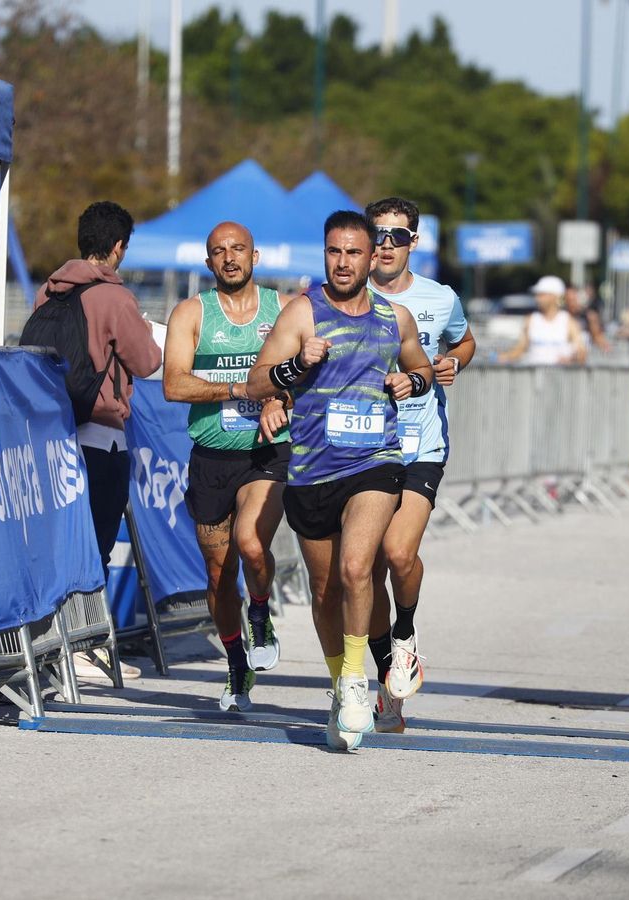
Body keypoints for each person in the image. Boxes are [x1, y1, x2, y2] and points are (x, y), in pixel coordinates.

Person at [244, 210, 433, 751]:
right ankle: (340, 686)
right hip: (311, 469)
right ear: (324, 254)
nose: (344, 262)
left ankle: (356, 682)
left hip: (375, 462)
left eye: (354, 253)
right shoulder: (303, 311)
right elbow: (258, 380)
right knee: (325, 590)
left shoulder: (394, 318)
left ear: (373, 257)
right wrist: (293, 368)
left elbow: (420, 368)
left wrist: (408, 380)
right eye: (334, 252)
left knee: (356, 569)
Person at [162, 222, 291, 711]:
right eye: (219, 252)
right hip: (211, 455)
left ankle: (259, 611)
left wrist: (284, 399)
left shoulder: (283, 309)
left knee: (251, 544)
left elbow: (308, 372)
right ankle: (236, 662)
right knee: (218, 574)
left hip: (266, 450)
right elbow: (174, 384)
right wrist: (241, 389)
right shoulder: (192, 313)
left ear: (255, 256)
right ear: (208, 261)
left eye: (238, 249)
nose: (230, 258)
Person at [361, 196, 477, 733]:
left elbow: (465, 340)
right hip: (361, 446)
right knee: (366, 570)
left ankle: (405, 633)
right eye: (378, 235)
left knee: (397, 553)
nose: (387, 246)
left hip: (420, 444)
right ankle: (390, 680)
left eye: (397, 236)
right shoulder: (347, 297)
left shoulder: (439, 297)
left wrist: (452, 361)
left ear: (414, 242)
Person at [35, 200, 163, 629]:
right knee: (97, 543)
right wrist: (145, 331)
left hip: (52, 433)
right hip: (101, 435)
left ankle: (54, 639)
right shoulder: (115, 297)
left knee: (59, 543)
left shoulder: (49, 290)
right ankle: (86, 640)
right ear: (118, 247)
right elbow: (147, 362)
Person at [499, 275, 584, 366]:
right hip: (534, 378)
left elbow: (581, 352)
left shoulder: (568, 321)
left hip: (560, 378)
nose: (537, 298)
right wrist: (504, 357)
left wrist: (571, 359)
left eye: (542, 294)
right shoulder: (531, 320)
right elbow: (521, 348)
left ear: (554, 296)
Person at [566, 285, 611, 355]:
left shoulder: (588, 317)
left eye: (573, 300)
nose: (571, 303)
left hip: (582, 357)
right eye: (568, 300)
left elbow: (597, 336)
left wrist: (605, 346)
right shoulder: (562, 317)